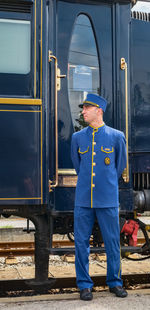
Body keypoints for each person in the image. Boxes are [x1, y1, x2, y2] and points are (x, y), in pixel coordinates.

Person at [71, 93, 128, 301]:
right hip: (84, 199)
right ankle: (84, 285)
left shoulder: (116, 136)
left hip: (107, 199)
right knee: (81, 244)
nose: (83, 112)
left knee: (113, 242)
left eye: (87, 108)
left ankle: (115, 282)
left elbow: (119, 166)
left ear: (99, 111)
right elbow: (78, 167)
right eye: (83, 108)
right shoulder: (78, 138)